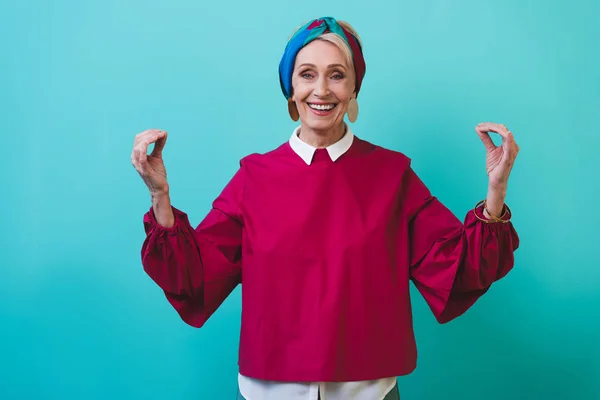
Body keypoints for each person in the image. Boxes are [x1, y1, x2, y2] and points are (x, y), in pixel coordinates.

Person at [131, 17, 520, 400]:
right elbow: (195, 275)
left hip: (366, 390)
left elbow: (454, 267)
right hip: (269, 390)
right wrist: (159, 196)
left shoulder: (391, 174)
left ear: (354, 89)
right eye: (307, 74)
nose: (321, 89)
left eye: (337, 75)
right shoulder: (255, 176)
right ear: (290, 87)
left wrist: (496, 189)